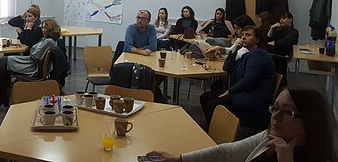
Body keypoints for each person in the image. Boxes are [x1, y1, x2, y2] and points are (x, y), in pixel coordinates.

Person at [144, 87, 336, 162]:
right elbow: (228, 152)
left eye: (288, 112)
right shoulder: (270, 138)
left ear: (312, 121)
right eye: (275, 108)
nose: (276, 117)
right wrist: (178, 159)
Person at [200, 26, 276, 131]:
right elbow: (227, 68)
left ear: (257, 40)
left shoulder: (259, 55)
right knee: (205, 97)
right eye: (243, 35)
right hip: (243, 92)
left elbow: (248, 81)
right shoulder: (247, 54)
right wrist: (234, 49)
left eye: (248, 35)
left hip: (253, 97)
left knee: (213, 104)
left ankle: (216, 131)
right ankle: (215, 127)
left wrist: (229, 92)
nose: (243, 37)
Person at [0, 18, 60, 108]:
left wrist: (32, 49)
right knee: (3, 68)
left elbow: (35, 56)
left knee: (3, 61)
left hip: (31, 66)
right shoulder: (49, 40)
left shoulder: (48, 41)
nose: (43, 30)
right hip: (31, 63)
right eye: (42, 28)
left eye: (45, 28)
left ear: (51, 29)